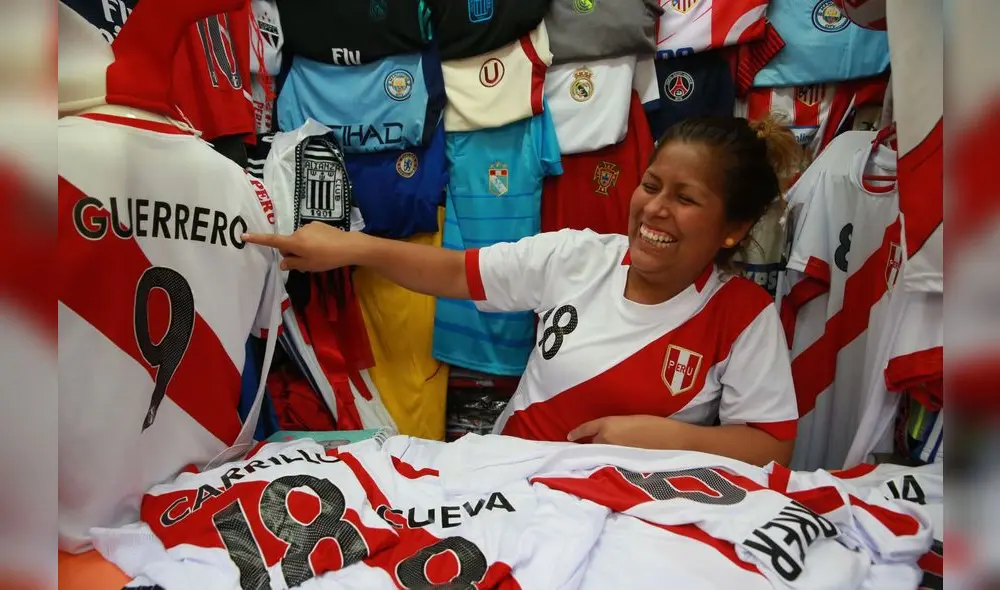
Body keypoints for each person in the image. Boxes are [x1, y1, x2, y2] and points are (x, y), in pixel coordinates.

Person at [244, 116, 805, 466]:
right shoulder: (578, 256)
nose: (655, 208)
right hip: (509, 480)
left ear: (731, 228)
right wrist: (350, 249)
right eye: (650, 185)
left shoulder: (742, 315)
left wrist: (656, 436)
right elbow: (455, 273)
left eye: (685, 198)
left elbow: (773, 446)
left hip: (632, 517)